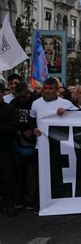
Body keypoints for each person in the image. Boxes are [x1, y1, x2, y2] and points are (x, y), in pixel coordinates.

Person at [10, 82, 39, 212]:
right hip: (18, 143)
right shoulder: (14, 103)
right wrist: (20, 131)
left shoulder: (37, 102)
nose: (21, 99)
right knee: (18, 173)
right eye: (19, 97)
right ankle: (19, 198)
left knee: (32, 173)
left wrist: (32, 130)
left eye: (23, 97)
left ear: (28, 91)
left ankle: (31, 199)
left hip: (35, 142)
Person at [0, 83, 19, 216]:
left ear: (2, 93)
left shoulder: (10, 109)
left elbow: (14, 127)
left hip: (5, 148)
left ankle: (10, 204)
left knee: (7, 177)